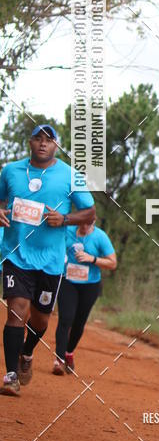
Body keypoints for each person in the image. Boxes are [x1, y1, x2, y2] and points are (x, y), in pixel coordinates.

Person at [0, 124, 95, 396]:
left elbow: (89, 212)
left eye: (49, 140)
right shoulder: (10, 171)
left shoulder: (70, 175)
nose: (43, 143)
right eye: (38, 138)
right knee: (17, 310)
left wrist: (64, 219)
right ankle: (10, 377)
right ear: (30, 142)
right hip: (16, 255)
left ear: (56, 146)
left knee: (40, 321)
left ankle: (27, 351)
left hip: (50, 262)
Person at [53, 210, 117, 375]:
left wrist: (92, 259)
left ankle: (69, 352)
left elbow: (112, 263)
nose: (85, 225)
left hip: (90, 285)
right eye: (83, 221)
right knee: (65, 318)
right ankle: (59, 360)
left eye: (89, 222)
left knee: (79, 323)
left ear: (94, 221)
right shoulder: (67, 231)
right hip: (68, 281)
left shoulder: (100, 237)